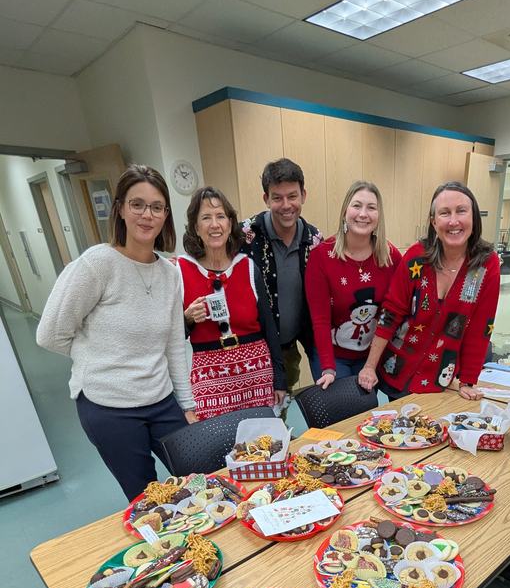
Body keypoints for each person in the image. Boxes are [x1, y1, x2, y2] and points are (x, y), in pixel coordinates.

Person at [36, 164, 196, 502]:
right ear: (120, 208)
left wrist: (187, 404)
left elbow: (172, 347)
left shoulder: (169, 273)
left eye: (156, 207)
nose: (146, 215)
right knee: (150, 499)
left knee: (199, 475)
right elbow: (50, 334)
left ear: (165, 214)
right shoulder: (97, 264)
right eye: (137, 204)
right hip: (109, 407)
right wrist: (99, 357)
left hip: (160, 399)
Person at [358, 181, 499, 399]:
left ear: (474, 217)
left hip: (441, 379)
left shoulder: (486, 265)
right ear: (434, 222)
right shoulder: (417, 256)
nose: (454, 221)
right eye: (445, 213)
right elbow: (390, 313)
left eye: (461, 211)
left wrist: (468, 381)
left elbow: (481, 327)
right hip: (397, 370)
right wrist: (369, 366)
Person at [178, 186, 286, 419]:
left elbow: (268, 325)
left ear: (230, 223)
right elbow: (170, 338)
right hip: (209, 378)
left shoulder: (247, 267)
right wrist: (187, 319)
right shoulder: (180, 270)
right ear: (196, 227)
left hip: (256, 374)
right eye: (206, 218)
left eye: (220, 216)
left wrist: (279, 376)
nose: (214, 224)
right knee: (217, 446)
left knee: (264, 445)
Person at [305, 180, 401, 390]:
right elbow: (320, 319)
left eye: (371, 207)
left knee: (368, 412)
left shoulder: (390, 256)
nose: (363, 214)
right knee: (343, 412)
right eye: (357, 205)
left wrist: (372, 364)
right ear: (345, 211)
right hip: (333, 355)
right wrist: (328, 367)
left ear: (379, 216)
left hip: (372, 355)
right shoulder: (321, 256)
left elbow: (394, 312)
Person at [240, 158, 322, 395]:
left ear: (303, 195)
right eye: (277, 197)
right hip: (255, 348)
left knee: (283, 406)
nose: (286, 205)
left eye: (292, 196)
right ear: (266, 199)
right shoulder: (244, 236)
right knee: (260, 414)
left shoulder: (314, 239)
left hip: (291, 345)